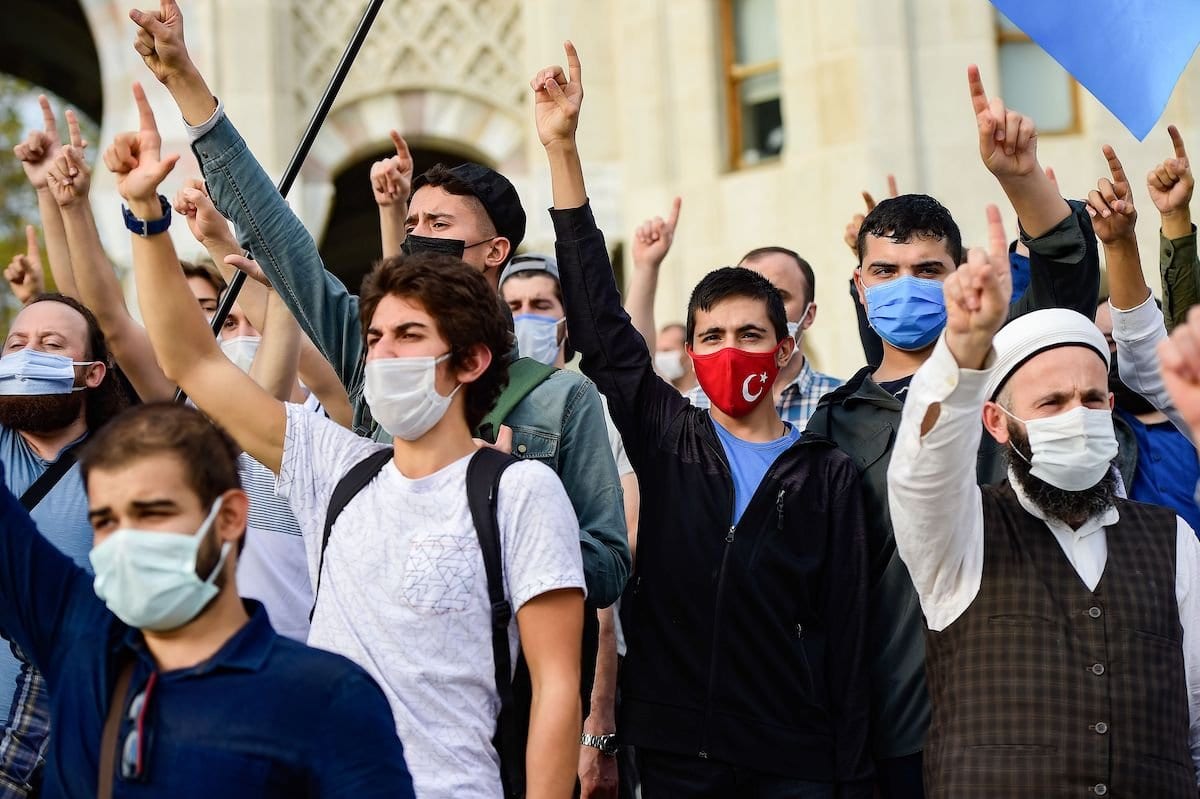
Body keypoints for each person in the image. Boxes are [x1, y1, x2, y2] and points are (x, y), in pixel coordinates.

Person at [112, 77, 587, 798]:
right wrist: (145, 216)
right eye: (375, 337)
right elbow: (193, 360)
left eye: (408, 336)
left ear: (470, 359)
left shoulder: (519, 489)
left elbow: (556, 686)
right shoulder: (335, 467)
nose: (385, 355)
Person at [129, 0, 629, 626]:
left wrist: (499, 513)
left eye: (439, 225)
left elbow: (608, 564)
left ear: (495, 251)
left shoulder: (560, 402)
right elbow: (280, 240)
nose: (419, 235)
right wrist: (185, 83)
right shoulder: (367, 358)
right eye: (412, 223)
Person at [537, 42, 871, 797]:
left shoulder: (828, 472)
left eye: (751, 335)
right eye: (712, 337)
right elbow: (598, 320)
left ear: (786, 349)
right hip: (675, 756)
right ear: (689, 350)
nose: (730, 351)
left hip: (793, 763)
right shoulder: (668, 435)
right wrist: (562, 149)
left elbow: (848, 643)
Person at [805, 66, 1101, 797]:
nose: (906, 284)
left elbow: (1065, 273)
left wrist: (1022, 178)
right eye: (886, 270)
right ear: (860, 286)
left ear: (958, 272)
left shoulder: (1013, 376)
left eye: (927, 268)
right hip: (900, 732)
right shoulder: (830, 427)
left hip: (1038, 704)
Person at [886, 208, 1200, 796]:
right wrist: (962, 352)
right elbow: (921, 472)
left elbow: (1195, 715)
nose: (1077, 415)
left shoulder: (1172, 540)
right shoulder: (962, 535)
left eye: (1091, 397)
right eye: (1051, 403)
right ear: (997, 424)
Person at [0, 401, 414, 797]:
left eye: (153, 513)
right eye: (106, 521)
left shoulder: (329, 697)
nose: (125, 541)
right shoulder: (79, 640)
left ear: (229, 517)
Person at [498, 254, 641, 797]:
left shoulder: (586, 404)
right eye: (513, 307)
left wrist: (597, 724)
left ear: (565, 320)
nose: (526, 317)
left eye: (541, 305)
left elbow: (607, 564)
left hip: (574, 663)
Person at [0, 290, 127, 797]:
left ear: (92, 373)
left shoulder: (126, 472)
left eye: (51, 345)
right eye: (16, 343)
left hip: (57, 754)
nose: (28, 355)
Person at [684, 247, 842, 430]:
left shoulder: (843, 405)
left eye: (779, 296)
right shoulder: (689, 409)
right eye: (746, 293)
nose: (760, 307)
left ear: (809, 315)